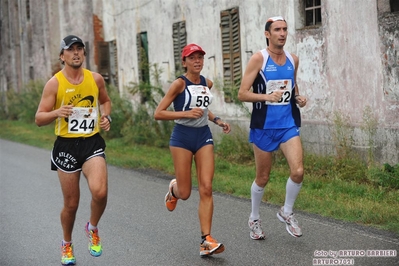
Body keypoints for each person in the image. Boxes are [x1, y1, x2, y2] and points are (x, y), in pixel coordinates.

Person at [35, 35, 112, 265]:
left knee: (100, 192)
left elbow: (105, 102)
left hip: (91, 142)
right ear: (62, 56)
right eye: (71, 50)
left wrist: (106, 116)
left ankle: (92, 227)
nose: (76, 53)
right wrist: (56, 113)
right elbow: (39, 118)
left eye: (80, 49)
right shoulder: (55, 83)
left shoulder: (96, 79)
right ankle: (67, 244)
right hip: (66, 146)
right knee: (71, 204)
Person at [154, 43, 231, 257]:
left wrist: (217, 120)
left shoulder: (207, 82)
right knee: (186, 193)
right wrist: (186, 114)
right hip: (182, 138)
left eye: (200, 57)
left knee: (206, 187)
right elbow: (158, 113)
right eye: (192, 57)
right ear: (185, 62)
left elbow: (204, 109)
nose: (197, 61)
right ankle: (174, 190)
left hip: (203, 136)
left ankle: (206, 240)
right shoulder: (179, 84)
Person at [237, 16, 307, 240]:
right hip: (264, 126)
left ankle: (286, 212)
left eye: (285, 29)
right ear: (268, 34)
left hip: (288, 125)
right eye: (277, 29)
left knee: (298, 171)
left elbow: (292, 87)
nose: (282, 33)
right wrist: (267, 96)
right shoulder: (259, 59)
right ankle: (254, 218)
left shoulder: (292, 59)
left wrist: (299, 98)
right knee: (263, 177)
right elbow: (242, 93)